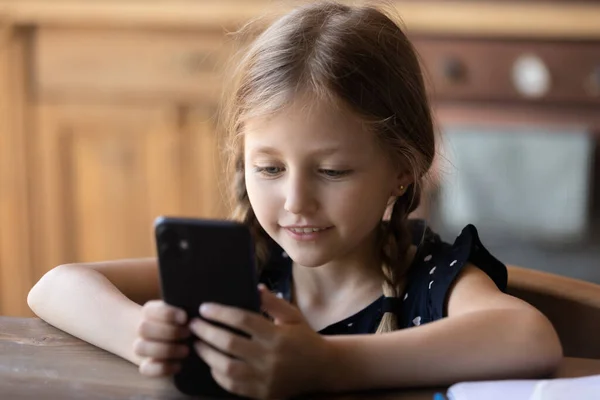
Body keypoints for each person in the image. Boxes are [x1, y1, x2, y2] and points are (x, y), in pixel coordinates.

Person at [27, 2, 562, 399]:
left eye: (331, 171)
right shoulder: (247, 268)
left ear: (402, 171)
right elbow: (55, 286)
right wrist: (138, 335)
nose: (296, 200)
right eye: (269, 169)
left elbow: (529, 337)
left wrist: (326, 363)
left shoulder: (429, 278)